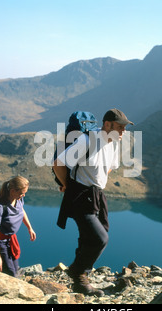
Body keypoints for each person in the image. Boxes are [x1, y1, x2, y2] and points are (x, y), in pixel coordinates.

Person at [53, 108, 134, 296]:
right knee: (99, 239)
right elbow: (58, 163)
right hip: (80, 194)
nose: (123, 131)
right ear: (107, 124)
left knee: (95, 234)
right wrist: (67, 185)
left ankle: (80, 281)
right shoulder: (87, 140)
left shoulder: (113, 142)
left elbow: (109, 168)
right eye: (120, 127)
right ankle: (77, 272)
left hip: (97, 193)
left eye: (124, 128)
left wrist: (97, 181)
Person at [0, 176, 36, 277]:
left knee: (15, 270)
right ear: (13, 191)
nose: (23, 195)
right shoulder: (0, 207)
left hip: (11, 240)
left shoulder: (18, 200)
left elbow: (21, 211)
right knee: (10, 273)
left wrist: (29, 228)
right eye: (22, 193)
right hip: (1, 242)